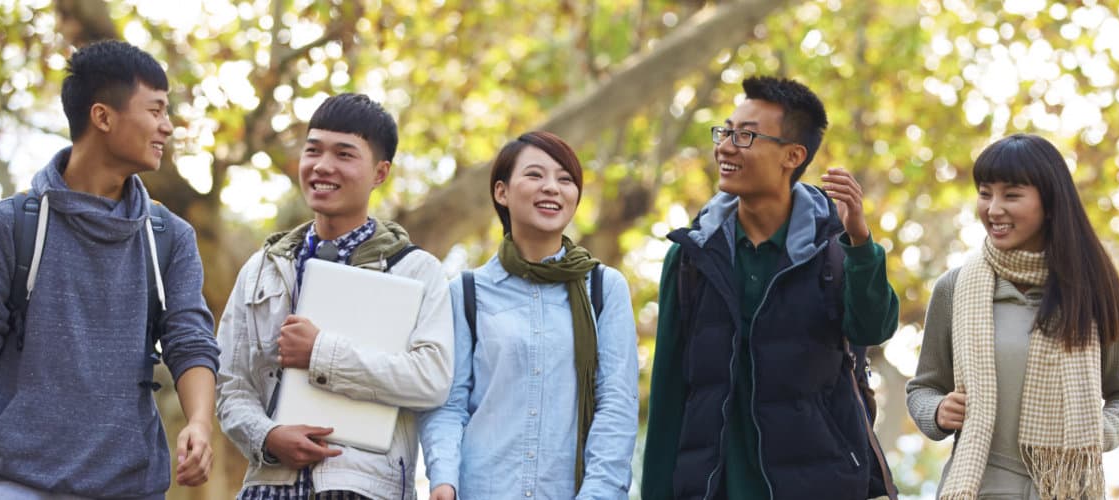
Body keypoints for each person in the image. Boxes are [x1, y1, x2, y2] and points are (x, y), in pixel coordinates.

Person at [0, 40, 219, 499]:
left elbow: (190, 338)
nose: (167, 127)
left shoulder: (169, 237)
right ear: (103, 117)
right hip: (22, 484)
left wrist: (200, 423)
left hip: (132, 486)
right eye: (156, 110)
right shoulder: (8, 226)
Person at [639, 75, 899, 499]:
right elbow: (669, 398)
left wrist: (860, 242)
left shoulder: (835, 252)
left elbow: (872, 328)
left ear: (792, 155)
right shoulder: (691, 258)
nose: (724, 146)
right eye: (725, 132)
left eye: (745, 136)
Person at [213, 93, 454, 499]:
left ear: (380, 173)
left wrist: (321, 352)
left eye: (344, 154)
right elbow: (229, 385)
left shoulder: (417, 270)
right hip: (266, 489)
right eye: (313, 151)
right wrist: (268, 436)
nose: (323, 166)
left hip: (365, 490)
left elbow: (431, 380)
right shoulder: (260, 269)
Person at [906, 134, 1119, 499]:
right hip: (977, 488)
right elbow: (923, 387)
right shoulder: (955, 288)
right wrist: (936, 411)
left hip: (1064, 488)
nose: (993, 209)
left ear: (1049, 204)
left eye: (1011, 195)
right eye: (985, 193)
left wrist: (1095, 433)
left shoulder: (1094, 292)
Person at [417, 131, 639, 500]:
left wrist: (596, 494)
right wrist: (444, 480)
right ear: (501, 192)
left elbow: (616, 405)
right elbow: (449, 404)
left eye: (565, 179)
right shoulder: (466, 292)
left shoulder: (603, 288)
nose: (552, 187)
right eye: (535, 175)